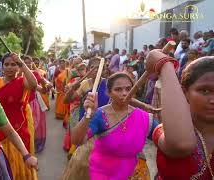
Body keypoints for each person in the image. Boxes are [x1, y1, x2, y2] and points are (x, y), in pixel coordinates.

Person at [71, 72, 159, 179]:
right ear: (109, 93)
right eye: (118, 89)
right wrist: (88, 116)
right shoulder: (100, 115)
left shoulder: (144, 117)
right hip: (103, 174)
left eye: (128, 89)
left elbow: (165, 141)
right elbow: (77, 140)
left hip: (135, 174)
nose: (124, 93)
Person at [147, 51, 214, 179]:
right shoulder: (163, 132)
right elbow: (182, 144)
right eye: (205, 91)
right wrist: (165, 66)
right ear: (185, 92)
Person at [0, 53, 39, 180]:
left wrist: (22, 64)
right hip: (0, 129)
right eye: (6, 64)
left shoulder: (22, 82)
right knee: (3, 164)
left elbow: (34, 85)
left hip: (19, 128)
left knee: (20, 163)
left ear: (18, 67)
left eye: (13, 64)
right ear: (2, 67)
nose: (10, 67)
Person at [22, 55, 50, 153]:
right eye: (25, 62)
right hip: (22, 105)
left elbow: (42, 85)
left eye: (29, 62)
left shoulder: (35, 74)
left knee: (36, 126)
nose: (28, 64)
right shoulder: (17, 75)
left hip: (34, 103)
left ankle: (35, 145)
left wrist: (47, 86)